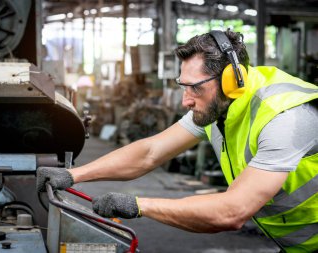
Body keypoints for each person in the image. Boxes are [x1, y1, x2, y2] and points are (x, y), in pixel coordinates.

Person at [37, 30, 318, 252]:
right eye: (183, 86)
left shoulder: (285, 118)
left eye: (195, 87)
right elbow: (149, 153)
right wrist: (72, 175)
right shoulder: (220, 107)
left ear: (233, 80)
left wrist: (138, 205)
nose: (186, 100)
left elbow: (232, 212)